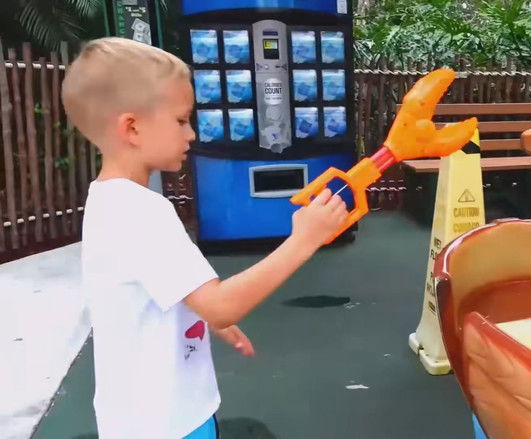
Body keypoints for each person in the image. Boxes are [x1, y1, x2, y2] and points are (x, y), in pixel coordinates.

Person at [62, 37, 348, 438]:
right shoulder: (142, 212)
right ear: (132, 127)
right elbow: (221, 306)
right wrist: (304, 240)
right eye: (181, 120)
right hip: (169, 424)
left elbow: (152, 291)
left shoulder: (109, 200)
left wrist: (195, 313)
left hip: (140, 417)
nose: (192, 134)